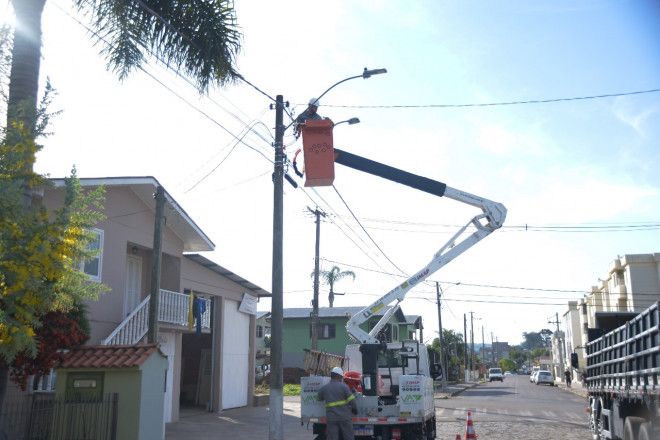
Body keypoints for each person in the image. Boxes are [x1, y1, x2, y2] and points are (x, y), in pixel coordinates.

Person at [317, 367, 357, 440]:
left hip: (331, 418)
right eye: (341, 377)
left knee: (332, 437)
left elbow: (319, 398)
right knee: (349, 437)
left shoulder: (325, 388)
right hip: (344, 418)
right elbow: (352, 401)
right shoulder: (344, 387)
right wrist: (355, 409)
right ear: (339, 376)